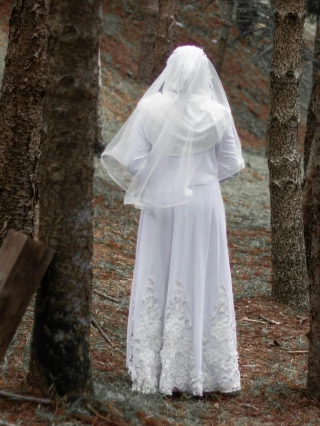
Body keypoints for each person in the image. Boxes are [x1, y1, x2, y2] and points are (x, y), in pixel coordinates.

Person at [101, 45, 245, 396]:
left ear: (171, 71)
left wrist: (166, 178)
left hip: (162, 204)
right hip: (204, 205)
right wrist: (202, 178)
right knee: (202, 276)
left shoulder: (149, 109)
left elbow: (135, 161)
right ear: (203, 75)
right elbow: (230, 162)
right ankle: (200, 368)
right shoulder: (217, 113)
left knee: (158, 272)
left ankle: (154, 368)